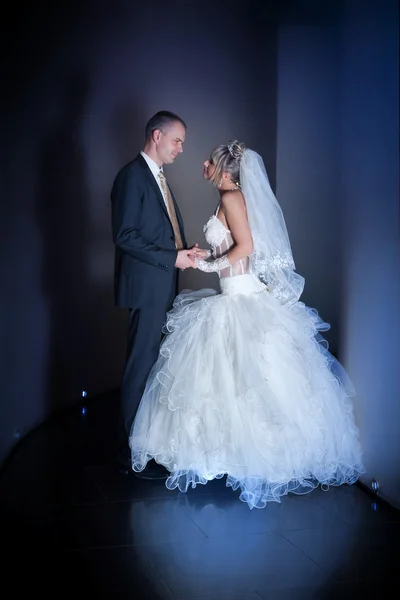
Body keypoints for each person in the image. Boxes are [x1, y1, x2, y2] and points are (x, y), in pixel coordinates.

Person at [128, 140, 365, 508]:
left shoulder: (230, 197)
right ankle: (226, 453)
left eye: (209, 160)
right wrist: (210, 255)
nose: (202, 163)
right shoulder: (230, 196)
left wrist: (206, 265)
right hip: (232, 292)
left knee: (242, 380)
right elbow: (233, 247)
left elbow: (247, 247)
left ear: (224, 171)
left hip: (239, 297)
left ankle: (245, 455)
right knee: (229, 381)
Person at [111, 110, 198, 479]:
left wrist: (183, 253)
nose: (181, 149)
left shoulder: (158, 177)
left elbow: (161, 232)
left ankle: (148, 440)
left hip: (162, 281)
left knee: (154, 364)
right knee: (140, 364)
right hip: (147, 287)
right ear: (157, 136)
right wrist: (172, 257)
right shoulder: (132, 176)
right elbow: (125, 235)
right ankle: (134, 447)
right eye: (177, 140)